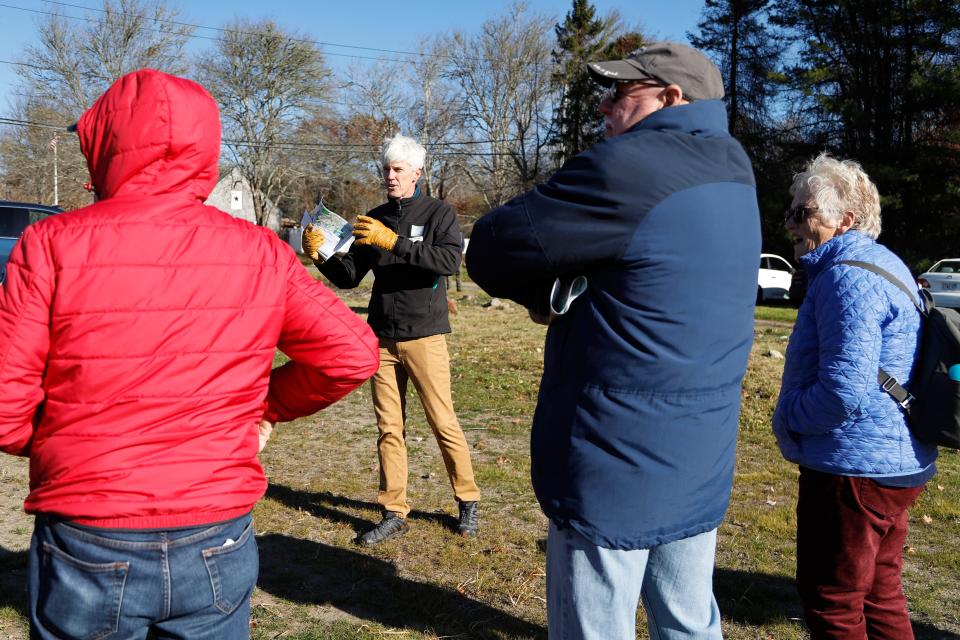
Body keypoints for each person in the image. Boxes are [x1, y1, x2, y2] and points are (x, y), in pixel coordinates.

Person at [0, 69, 380, 639]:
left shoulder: (50, 244)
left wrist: (70, 444)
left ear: (104, 146)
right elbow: (351, 354)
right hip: (216, 534)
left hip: (89, 529)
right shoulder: (258, 252)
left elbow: (6, 407)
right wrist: (262, 407)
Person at [466, 42, 760, 639]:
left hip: (615, 457)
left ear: (671, 99)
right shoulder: (736, 168)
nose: (604, 106)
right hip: (699, 452)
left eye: (621, 92)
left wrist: (545, 291)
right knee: (689, 622)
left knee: (594, 627)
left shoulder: (631, 166)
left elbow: (494, 247)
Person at [773, 154, 937, 640]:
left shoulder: (849, 276)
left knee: (834, 602)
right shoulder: (884, 265)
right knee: (879, 594)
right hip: (893, 461)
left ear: (844, 220)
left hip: (854, 469)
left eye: (802, 213)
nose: (789, 224)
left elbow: (843, 390)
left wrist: (789, 418)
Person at [302, 134, 480, 545]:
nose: (390, 176)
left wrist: (394, 241)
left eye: (398, 169)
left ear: (417, 172)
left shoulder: (439, 214)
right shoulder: (374, 217)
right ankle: (394, 511)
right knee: (389, 427)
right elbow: (350, 277)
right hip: (380, 338)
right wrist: (322, 256)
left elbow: (449, 262)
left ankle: (467, 500)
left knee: (442, 421)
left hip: (425, 336)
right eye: (386, 169)